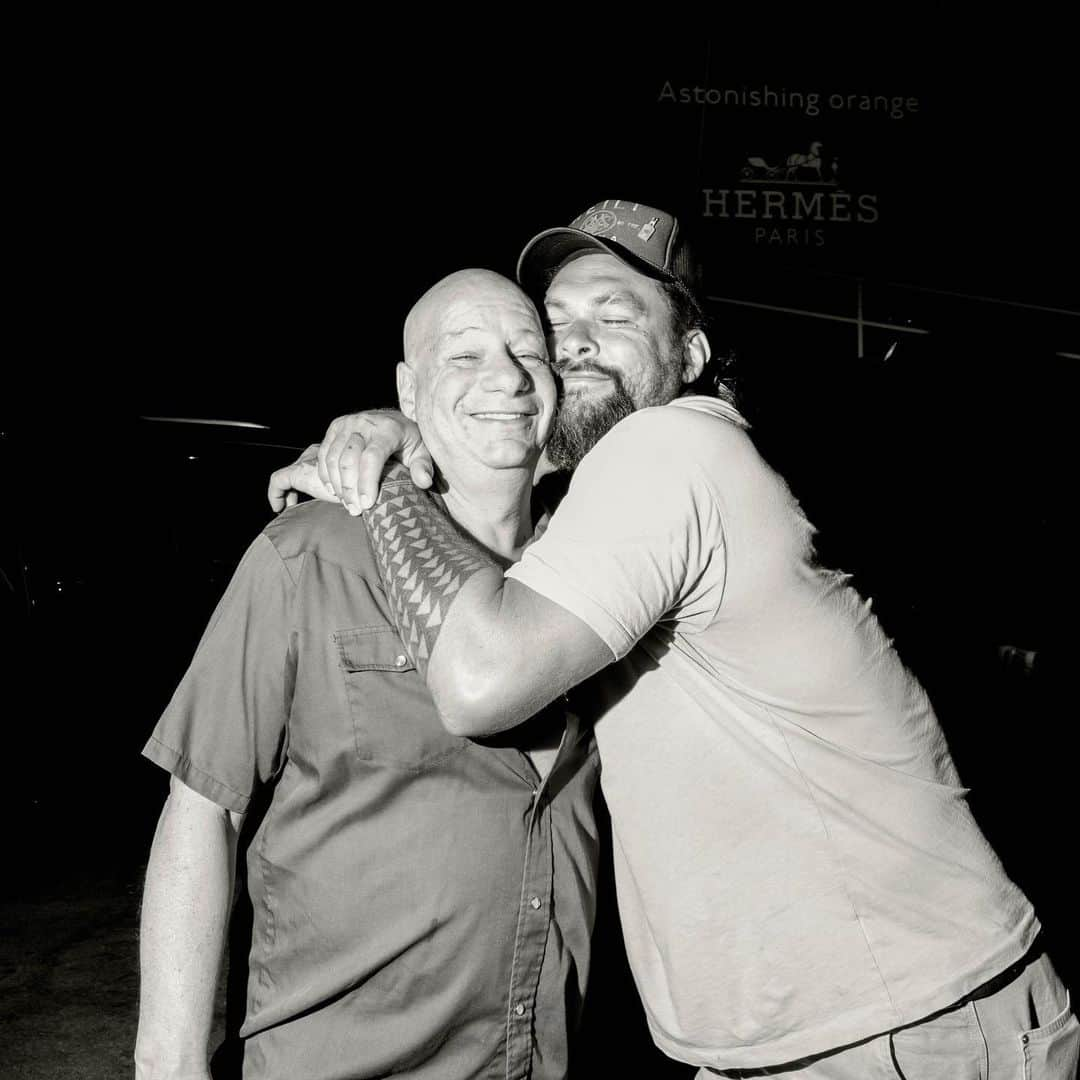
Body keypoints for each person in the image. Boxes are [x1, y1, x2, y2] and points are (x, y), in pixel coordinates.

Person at [274, 201, 1079, 1078]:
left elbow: (478, 678)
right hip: (821, 1032)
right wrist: (407, 425)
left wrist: (384, 482)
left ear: (688, 357)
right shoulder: (613, 496)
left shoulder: (671, 448)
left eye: (616, 316)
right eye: (557, 324)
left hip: (898, 1030)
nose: (574, 341)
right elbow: (507, 456)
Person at [135, 270, 601, 1080]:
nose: (507, 376)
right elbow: (203, 806)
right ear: (407, 389)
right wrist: (168, 1064)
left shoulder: (597, 574)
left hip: (538, 1058)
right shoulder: (310, 555)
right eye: (465, 356)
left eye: (529, 351)